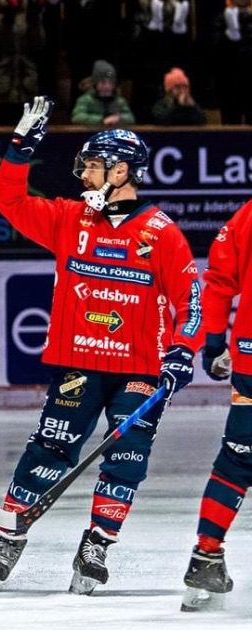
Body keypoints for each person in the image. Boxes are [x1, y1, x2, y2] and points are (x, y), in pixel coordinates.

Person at [0, 96, 202, 595]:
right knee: (51, 447)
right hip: (78, 362)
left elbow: (190, 302)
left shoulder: (161, 233)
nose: (83, 175)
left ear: (122, 171)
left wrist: (183, 351)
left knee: (128, 457)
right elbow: (10, 204)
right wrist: (18, 152)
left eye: (95, 167)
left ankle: (98, 543)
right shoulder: (69, 218)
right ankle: (12, 533)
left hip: (142, 368)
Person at [179, 197, 252, 610]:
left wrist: (212, 344)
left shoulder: (247, 215)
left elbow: (221, 280)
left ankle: (206, 554)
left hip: (250, 357)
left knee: (238, 460)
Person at [70, 60, 136, 127]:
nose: (107, 86)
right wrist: (102, 119)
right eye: (103, 83)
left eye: (110, 83)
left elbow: (130, 118)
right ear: (96, 84)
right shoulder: (85, 100)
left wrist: (118, 118)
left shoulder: (119, 100)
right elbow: (77, 117)